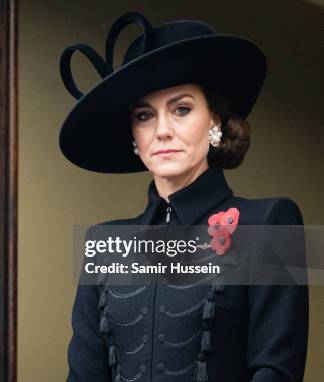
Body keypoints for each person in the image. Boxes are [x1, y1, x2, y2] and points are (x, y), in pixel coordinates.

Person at [60, 12, 308, 382]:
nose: (161, 131)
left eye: (181, 109)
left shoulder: (272, 220)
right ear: (133, 135)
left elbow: (277, 370)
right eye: (144, 115)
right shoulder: (103, 242)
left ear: (215, 122)